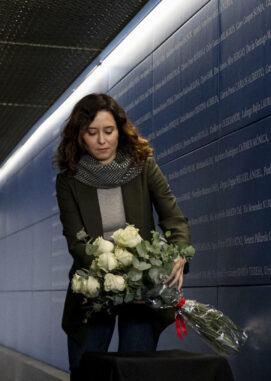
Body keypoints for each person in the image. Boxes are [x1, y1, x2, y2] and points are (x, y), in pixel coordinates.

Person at [53, 93, 191, 373]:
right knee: (86, 370)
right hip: (93, 288)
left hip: (143, 290)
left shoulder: (143, 166)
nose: (102, 140)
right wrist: (115, 275)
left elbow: (172, 217)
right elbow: (77, 243)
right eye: (92, 133)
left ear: (120, 130)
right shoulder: (68, 180)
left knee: (135, 372)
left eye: (108, 131)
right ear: (79, 136)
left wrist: (178, 254)